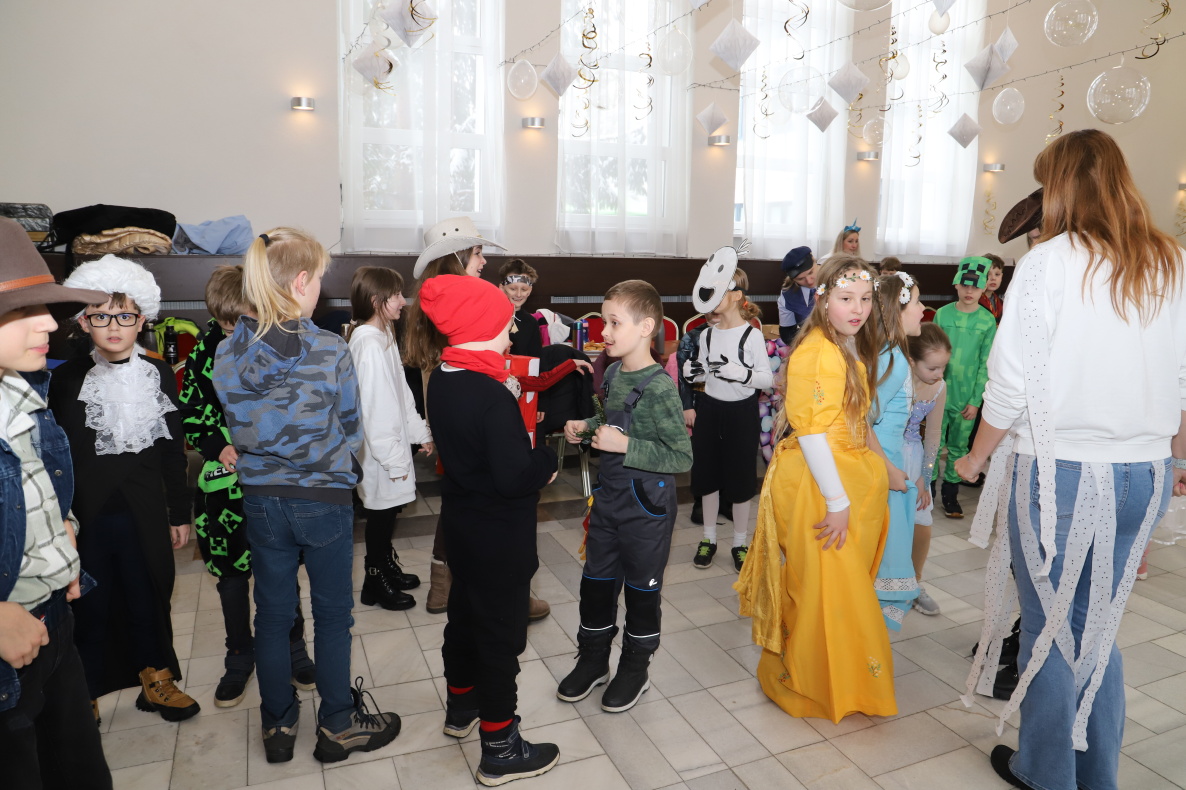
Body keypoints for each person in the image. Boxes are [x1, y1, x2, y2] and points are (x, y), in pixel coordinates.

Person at [955, 129, 1186, 790]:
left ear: (1060, 188)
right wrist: (1176, 465)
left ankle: (1046, 773)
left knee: (1051, 630)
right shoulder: (1171, 260)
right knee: (1097, 628)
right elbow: (1181, 379)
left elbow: (1011, 384)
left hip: (1060, 473)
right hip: (1144, 472)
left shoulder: (1049, 262)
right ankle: (1096, 775)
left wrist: (974, 458)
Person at [213, 228, 399, 764]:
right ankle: (338, 725)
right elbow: (351, 425)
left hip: (261, 499)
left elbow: (237, 423)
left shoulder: (226, 351)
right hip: (322, 498)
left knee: (273, 615)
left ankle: (278, 723)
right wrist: (338, 467)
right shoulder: (327, 347)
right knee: (332, 615)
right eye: (318, 278)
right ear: (299, 282)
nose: (321, 287)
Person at [735, 255, 896, 723]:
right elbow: (811, 433)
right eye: (846, 298)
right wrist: (838, 502)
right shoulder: (818, 352)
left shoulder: (844, 344)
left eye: (865, 298)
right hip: (823, 484)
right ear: (823, 300)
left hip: (846, 476)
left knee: (838, 588)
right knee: (832, 588)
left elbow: (855, 419)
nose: (858, 308)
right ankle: (818, 683)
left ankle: (835, 678)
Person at [418, 273, 561, 786]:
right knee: (500, 639)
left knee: (463, 619)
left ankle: (462, 707)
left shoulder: (444, 377)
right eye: (505, 323)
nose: (512, 331)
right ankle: (500, 746)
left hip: (463, 527)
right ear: (482, 328)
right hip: (499, 537)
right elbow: (514, 477)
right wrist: (546, 459)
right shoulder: (489, 394)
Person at [50, 256, 197, 723]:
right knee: (90, 603)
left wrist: (179, 512)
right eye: (101, 317)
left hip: (144, 509)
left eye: (125, 316)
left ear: (142, 320)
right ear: (83, 322)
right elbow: (56, 457)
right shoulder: (64, 380)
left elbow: (173, 451)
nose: (114, 327)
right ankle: (87, 689)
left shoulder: (159, 374)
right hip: (87, 513)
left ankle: (157, 677)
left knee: (149, 592)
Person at [0, 219, 113, 789]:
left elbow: (31, 486)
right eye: (23, 310)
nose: (50, 322)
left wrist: (60, 530)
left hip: (54, 619)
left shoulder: (24, 392)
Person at [179, 265, 315, 707]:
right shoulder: (204, 351)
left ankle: (294, 645)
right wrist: (217, 445)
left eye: (240, 321)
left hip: (272, 482)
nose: (231, 330)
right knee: (232, 579)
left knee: (280, 568)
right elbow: (191, 409)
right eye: (223, 324)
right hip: (223, 491)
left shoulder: (278, 346)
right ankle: (239, 653)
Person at [404, 219, 550, 621]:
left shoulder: (458, 298)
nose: (483, 262)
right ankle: (474, 587)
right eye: (477, 253)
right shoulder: (463, 306)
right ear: (456, 258)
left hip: (465, 398)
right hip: (466, 397)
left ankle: (461, 586)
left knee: (466, 488)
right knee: (476, 486)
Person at [558, 280, 693, 713]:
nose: (605, 331)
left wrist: (624, 445)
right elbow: (609, 422)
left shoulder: (660, 387)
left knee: (640, 589)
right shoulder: (614, 373)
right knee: (596, 582)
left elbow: (681, 456)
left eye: (614, 323)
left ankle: (635, 667)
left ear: (646, 328)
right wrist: (587, 427)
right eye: (605, 322)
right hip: (609, 499)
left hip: (647, 509)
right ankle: (594, 659)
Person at [348, 266, 433, 611]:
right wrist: (395, 460)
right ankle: (374, 579)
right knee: (380, 515)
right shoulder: (367, 343)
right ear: (376, 300)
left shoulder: (382, 334)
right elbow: (375, 411)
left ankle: (383, 567)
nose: (403, 301)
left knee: (388, 512)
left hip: (391, 446)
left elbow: (401, 395)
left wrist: (418, 432)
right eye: (396, 295)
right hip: (379, 451)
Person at [684, 268, 773, 572]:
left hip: (741, 413)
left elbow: (767, 379)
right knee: (707, 477)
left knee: (740, 480)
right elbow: (703, 372)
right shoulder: (707, 334)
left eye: (719, 292)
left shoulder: (752, 335)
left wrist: (741, 373)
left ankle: (739, 542)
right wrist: (693, 373)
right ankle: (708, 538)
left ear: (736, 296)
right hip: (710, 410)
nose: (711, 298)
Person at [870, 271, 926, 629]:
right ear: (897, 310)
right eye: (917, 302)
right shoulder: (893, 361)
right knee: (882, 561)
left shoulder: (891, 355)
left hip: (889, 468)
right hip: (882, 473)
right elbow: (860, 420)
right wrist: (890, 470)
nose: (923, 309)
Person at [932, 257, 997, 518]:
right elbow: (930, 353)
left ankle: (950, 494)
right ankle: (927, 489)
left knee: (958, 447)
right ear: (956, 285)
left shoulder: (987, 321)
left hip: (967, 398)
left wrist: (975, 401)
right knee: (933, 444)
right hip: (938, 393)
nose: (970, 291)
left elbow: (985, 364)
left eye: (976, 287)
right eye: (965, 285)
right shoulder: (943, 314)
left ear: (984, 288)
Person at [903, 324, 950, 617]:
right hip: (885, 455)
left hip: (914, 455)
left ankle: (914, 582)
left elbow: (933, 435)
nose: (939, 374)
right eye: (932, 368)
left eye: (943, 367)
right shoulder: (894, 379)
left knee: (922, 516)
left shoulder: (939, 387)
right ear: (911, 361)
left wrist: (925, 476)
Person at [674, 311, 722, 526]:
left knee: (728, 451)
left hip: (732, 400)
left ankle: (727, 500)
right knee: (703, 453)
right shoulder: (692, 336)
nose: (716, 312)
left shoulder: (740, 333)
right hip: (701, 400)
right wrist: (687, 406)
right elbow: (683, 377)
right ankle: (701, 502)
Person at [777, 246, 816, 344]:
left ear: (814, 260)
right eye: (800, 279)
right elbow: (787, 332)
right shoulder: (788, 295)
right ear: (793, 279)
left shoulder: (836, 280)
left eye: (811, 272)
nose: (809, 281)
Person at [979, 254, 1006, 321]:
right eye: (988, 274)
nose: (993, 278)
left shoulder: (1001, 303)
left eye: (997, 274)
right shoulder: (973, 301)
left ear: (1002, 276)